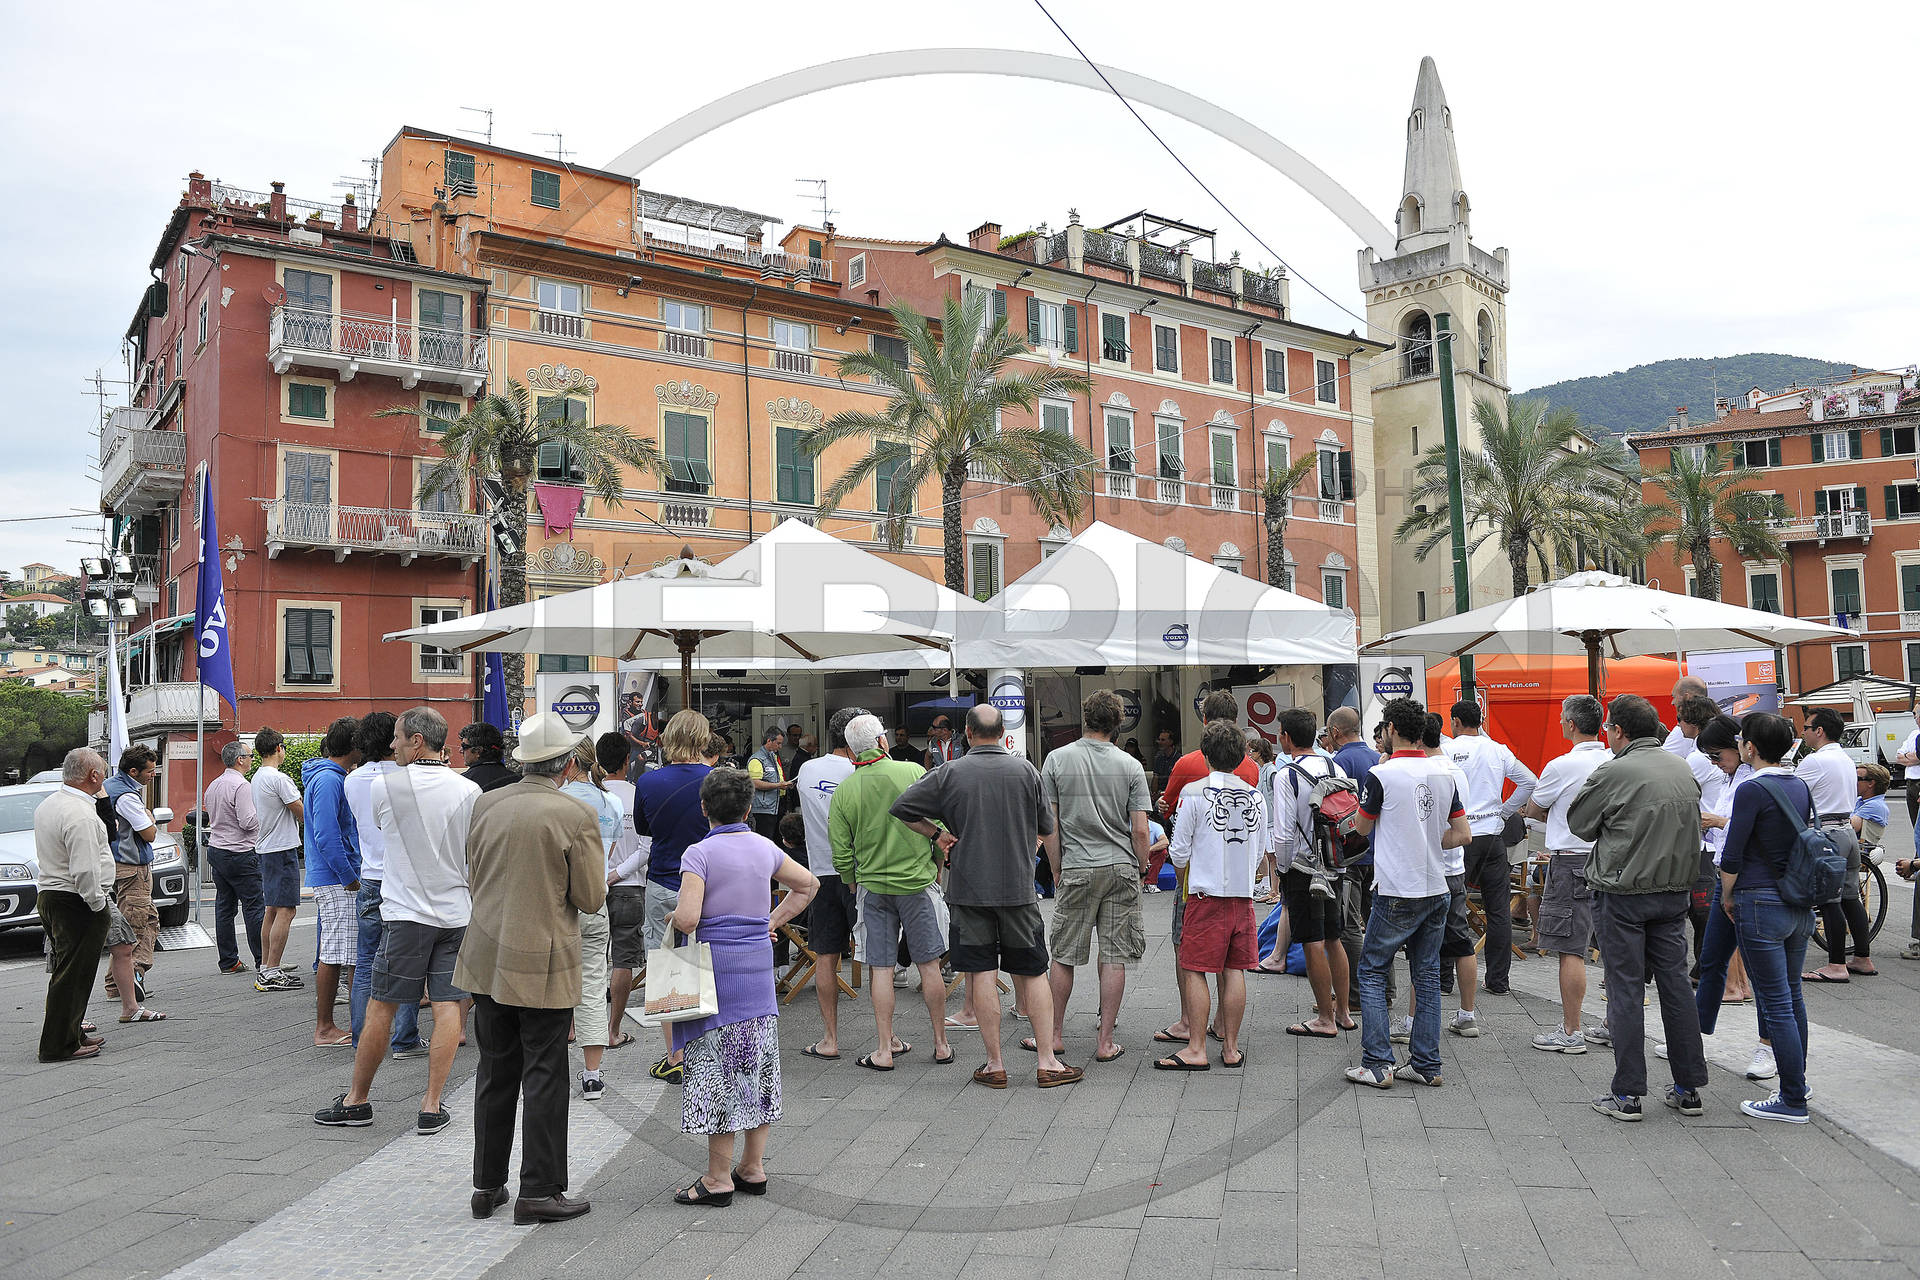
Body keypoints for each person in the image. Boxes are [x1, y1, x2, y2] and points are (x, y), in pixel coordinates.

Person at [457, 711, 607, 1224]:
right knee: (544, 1073)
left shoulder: (486, 802)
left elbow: (474, 872)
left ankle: (486, 1185)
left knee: (495, 1070)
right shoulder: (574, 814)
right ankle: (539, 1189)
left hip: (485, 951)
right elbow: (591, 897)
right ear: (566, 764)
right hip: (542, 957)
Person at [891, 703, 1081, 1089]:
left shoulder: (949, 772)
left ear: (968, 732)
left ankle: (994, 1064)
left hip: (968, 890)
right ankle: (1048, 1062)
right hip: (1018, 891)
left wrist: (937, 834)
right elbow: (1047, 826)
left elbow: (902, 807)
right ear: (1002, 733)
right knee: (1033, 971)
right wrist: (1042, 859)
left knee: (981, 973)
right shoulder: (1026, 771)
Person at [315, 708, 480, 1134]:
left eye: (398, 738)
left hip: (406, 913)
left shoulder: (384, 786)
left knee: (381, 1005)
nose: (392, 745)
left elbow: (379, 827)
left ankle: (357, 1100)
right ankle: (431, 1105)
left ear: (417, 741)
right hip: (455, 913)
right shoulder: (469, 789)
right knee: (448, 1005)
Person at [666, 769, 817, 1205]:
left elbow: (688, 918)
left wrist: (671, 918)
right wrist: (771, 921)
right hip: (756, 974)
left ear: (704, 809)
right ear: (749, 809)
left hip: (715, 975)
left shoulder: (699, 854)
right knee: (758, 1068)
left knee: (716, 1072)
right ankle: (752, 1167)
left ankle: (718, 1178)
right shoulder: (765, 847)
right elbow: (808, 884)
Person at [1568, 693, 1710, 1122]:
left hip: (1623, 891)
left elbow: (1580, 824)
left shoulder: (1614, 770)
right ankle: (1688, 1087)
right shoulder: (1681, 767)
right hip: (1673, 890)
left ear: (1618, 731)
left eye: (1609, 728)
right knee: (1676, 986)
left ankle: (1628, 1093)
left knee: (1625, 989)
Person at [1347, 698, 1471, 1090]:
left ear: (1392, 730)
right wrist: (1427, 839)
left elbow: (1362, 828)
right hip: (1436, 885)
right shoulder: (1444, 774)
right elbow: (1461, 833)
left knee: (1372, 970)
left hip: (1397, 887)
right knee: (1427, 974)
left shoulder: (1381, 774)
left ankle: (1377, 1063)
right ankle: (1426, 1063)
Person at [1035, 690, 1151, 1066]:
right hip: (1120, 868)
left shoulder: (1057, 759)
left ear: (1085, 718)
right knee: (1114, 956)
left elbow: (1049, 826)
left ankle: (1054, 1035)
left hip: (1077, 866)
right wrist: (1142, 866)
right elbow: (1140, 830)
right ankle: (1105, 1041)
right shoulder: (1130, 765)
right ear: (1118, 723)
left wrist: (1056, 867)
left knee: (1064, 955)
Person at [830, 714, 951, 1069]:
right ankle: (941, 1044)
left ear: (852, 750)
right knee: (929, 965)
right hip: (917, 883)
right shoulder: (912, 772)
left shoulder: (845, 790)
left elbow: (841, 850)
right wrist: (937, 868)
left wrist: (852, 881)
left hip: (873, 886)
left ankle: (884, 1048)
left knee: (881, 968)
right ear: (883, 742)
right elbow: (937, 825)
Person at [1716, 712, 1817, 1122]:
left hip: (1759, 900)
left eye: (1742, 740)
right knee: (1791, 996)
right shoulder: (1799, 785)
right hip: (1797, 899)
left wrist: (1726, 895)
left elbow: (1733, 853)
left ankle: (1791, 1098)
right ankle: (1797, 1082)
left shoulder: (1752, 789)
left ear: (1750, 747)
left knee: (1775, 1003)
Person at [1161, 721, 1267, 1072]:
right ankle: (1231, 1047)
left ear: (1205, 754)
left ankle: (1196, 1047)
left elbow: (1178, 851)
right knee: (1234, 969)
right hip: (1242, 895)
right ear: (1241, 756)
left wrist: (1184, 880)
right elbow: (1260, 851)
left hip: (1205, 894)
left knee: (1194, 968)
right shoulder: (1255, 796)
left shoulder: (1193, 793)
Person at [1520, 695, 1612, 1054]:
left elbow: (1534, 808)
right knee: (1616, 947)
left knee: (1570, 948)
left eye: (1562, 718)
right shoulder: (1614, 760)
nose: (1560, 722)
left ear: (1571, 724)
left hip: (1572, 859)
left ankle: (1572, 1031)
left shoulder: (1561, 766)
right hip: (1612, 859)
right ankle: (1613, 1024)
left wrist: (1557, 815)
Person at [633, 709, 715, 1084]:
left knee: (666, 969)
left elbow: (644, 828)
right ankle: (710, 1050)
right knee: (710, 964)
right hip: (710, 884)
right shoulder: (716, 779)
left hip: (665, 880)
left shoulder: (649, 781)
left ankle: (676, 1056)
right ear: (704, 739)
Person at [1691, 715, 1773, 1083]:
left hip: (1748, 884)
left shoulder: (1757, 782)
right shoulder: (1733, 778)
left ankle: (1767, 1047)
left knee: (1763, 973)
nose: (1714, 762)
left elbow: (1750, 830)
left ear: (1742, 746)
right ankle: (1692, 1039)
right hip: (1727, 878)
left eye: (1716, 754)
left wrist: (1717, 822)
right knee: (1711, 961)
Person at [1266, 708, 1352, 1040]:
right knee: (1333, 937)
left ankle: (1325, 1019)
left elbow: (1284, 833)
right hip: (1334, 863)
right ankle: (1343, 1013)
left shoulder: (1286, 775)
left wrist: (1283, 870)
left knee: (1312, 941)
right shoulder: (1334, 765)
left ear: (1286, 737)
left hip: (1303, 868)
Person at [343, 712, 424, 1060]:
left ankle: (361, 1036)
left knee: (365, 961)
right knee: (407, 961)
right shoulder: (409, 777)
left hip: (370, 875)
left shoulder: (352, 780)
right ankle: (405, 1038)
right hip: (403, 877)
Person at [1444, 700, 1536, 996]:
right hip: (1492, 835)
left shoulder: (1447, 750)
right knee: (1498, 910)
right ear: (1480, 721)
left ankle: (1445, 979)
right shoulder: (1498, 749)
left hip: (1460, 835)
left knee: (1450, 906)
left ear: (1456, 722)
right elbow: (1529, 782)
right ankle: (1498, 980)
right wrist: (1504, 812)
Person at [37, 749, 115, 1061]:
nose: (104, 777)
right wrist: (97, 903)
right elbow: (85, 868)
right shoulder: (80, 813)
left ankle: (71, 1033)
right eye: (103, 771)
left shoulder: (51, 804)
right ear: (94, 776)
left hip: (54, 894)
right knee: (73, 975)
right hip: (75, 900)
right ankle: (58, 1045)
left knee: (69, 971)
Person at [795, 706, 861, 1058]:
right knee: (877, 959)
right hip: (859, 874)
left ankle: (830, 1039)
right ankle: (889, 1039)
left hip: (820, 872)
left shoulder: (808, 769)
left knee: (825, 955)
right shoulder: (862, 770)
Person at [561, 737, 624, 1100]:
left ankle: (550, 1068)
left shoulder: (557, 799)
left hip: (558, 904)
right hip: (594, 899)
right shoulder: (610, 801)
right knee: (592, 983)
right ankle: (592, 1075)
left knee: (551, 984)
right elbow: (606, 854)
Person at [1799, 708, 1871, 984]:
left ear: (1819, 731)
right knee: (1850, 897)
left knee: (1829, 900)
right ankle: (1862, 957)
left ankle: (1836, 965)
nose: (1803, 732)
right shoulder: (1845, 758)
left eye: (1806, 727)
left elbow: (1793, 791)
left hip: (1826, 832)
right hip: (1847, 830)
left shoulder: (1815, 761)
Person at [303, 718, 362, 1047]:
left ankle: (339, 1024)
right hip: (336, 877)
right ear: (353, 745)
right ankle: (326, 1027)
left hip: (334, 874)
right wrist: (348, 876)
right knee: (340, 952)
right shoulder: (329, 780)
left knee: (340, 950)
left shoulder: (330, 777)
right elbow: (327, 835)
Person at [1327, 706, 1380, 1008]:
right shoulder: (1378, 758)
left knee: (1348, 925)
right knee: (1376, 924)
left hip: (1351, 854)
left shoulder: (1338, 763)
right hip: (1378, 853)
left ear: (1335, 732)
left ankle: (1356, 996)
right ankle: (1384, 991)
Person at [600, 731, 648, 1051]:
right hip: (629, 887)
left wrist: (602, 876)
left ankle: (576, 1027)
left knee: (585, 960)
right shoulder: (637, 796)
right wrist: (616, 875)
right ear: (627, 761)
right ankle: (613, 1030)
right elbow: (647, 848)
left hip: (590, 887)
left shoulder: (589, 796)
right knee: (624, 960)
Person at [102, 745, 162, 1000]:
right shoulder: (126, 796)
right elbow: (149, 834)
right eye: (150, 771)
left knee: (147, 918)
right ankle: (125, 980)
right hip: (132, 866)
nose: (153, 775)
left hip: (118, 864)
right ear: (134, 771)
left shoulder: (110, 786)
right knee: (134, 925)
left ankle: (123, 978)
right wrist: (150, 818)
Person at [202, 739, 265, 978]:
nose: (252, 760)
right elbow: (248, 822)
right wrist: (264, 813)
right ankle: (263, 960)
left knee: (225, 907)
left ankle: (229, 961)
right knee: (253, 906)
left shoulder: (214, 784)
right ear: (240, 760)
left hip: (217, 849)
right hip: (240, 852)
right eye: (250, 756)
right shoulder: (242, 786)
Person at [745, 725, 793, 842]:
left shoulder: (773, 757)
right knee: (766, 840)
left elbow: (777, 778)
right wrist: (779, 785)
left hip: (777, 806)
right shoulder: (757, 759)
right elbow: (755, 783)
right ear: (769, 741)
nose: (780, 747)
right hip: (764, 809)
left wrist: (785, 785)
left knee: (778, 841)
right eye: (778, 743)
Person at [459, 721, 518, 792]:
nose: (460, 750)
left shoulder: (463, 783)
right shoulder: (516, 780)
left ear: (478, 751)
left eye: (464, 746)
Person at [1664, 675, 1711, 756]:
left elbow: (1662, 759)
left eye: (1674, 697)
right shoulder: (1716, 726)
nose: (1672, 702)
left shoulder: (1682, 731)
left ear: (1687, 697)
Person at [1151, 729, 1178, 795]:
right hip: (1159, 794)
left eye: (1163, 740)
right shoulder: (1158, 758)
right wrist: (1154, 794)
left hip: (1172, 794)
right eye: (1159, 739)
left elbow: (1177, 782)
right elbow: (1155, 778)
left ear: (1171, 742)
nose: (1159, 742)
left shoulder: (1178, 759)